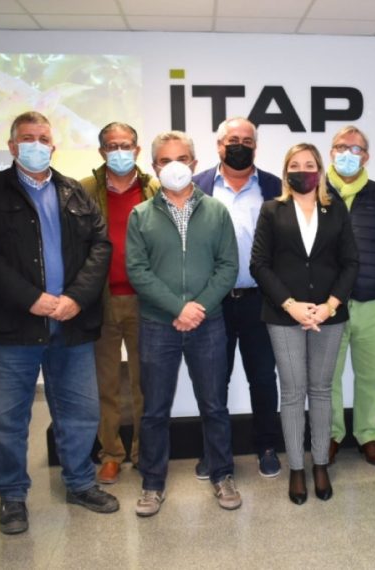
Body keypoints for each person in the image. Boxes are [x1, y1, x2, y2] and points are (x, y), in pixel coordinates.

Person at [0, 111, 118, 535]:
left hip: (71, 324)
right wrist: (32, 299)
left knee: (80, 414)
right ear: (13, 146)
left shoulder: (74, 193)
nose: (36, 143)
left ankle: (81, 484)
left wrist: (74, 299)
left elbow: (100, 248)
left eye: (43, 137)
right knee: (10, 421)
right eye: (27, 138)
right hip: (11, 329)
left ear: (54, 145)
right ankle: (13, 497)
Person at [126, 131, 240, 515]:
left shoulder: (217, 211)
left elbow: (228, 268)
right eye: (164, 160)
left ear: (194, 162)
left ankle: (222, 475)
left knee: (214, 406)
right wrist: (178, 308)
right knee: (155, 410)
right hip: (159, 325)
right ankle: (152, 483)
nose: (174, 166)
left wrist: (198, 308)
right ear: (154, 166)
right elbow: (137, 272)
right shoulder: (140, 215)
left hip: (208, 324)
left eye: (182, 158)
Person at [250, 143, 358, 505]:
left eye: (309, 164)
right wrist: (292, 305)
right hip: (284, 315)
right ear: (285, 172)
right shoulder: (272, 210)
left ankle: (320, 464)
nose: (302, 170)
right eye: (294, 165)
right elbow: (259, 264)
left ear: (320, 170)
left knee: (322, 390)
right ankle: (297, 467)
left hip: (330, 314)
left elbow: (351, 263)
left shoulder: (335, 209)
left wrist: (328, 306)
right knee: (294, 392)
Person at [193, 117, 283, 479]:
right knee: (214, 381)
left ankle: (266, 446)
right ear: (218, 145)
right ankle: (213, 452)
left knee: (263, 378)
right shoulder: (198, 186)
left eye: (248, 140)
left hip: (260, 300)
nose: (240, 146)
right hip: (213, 302)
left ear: (256, 147)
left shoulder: (274, 186)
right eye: (233, 139)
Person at [80, 122, 160, 484]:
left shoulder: (155, 189)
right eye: (112, 146)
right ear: (101, 152)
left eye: (126, 145)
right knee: (107, 381)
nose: (120, 151)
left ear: (138, 150)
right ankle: (111, 453)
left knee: (145, 382)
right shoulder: (83, 191)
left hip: (146, 300)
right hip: (102, 300)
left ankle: (144, 450)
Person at [325, 126, 375, 466]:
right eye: (341, 147)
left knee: (372, 373)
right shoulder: (314, 190)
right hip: (327, 304)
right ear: (330, 152)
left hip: (371, 299)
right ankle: (333, 436)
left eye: (356, 149)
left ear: (367, 156)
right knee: (328, 375)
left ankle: (368, 435)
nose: (348, 154)